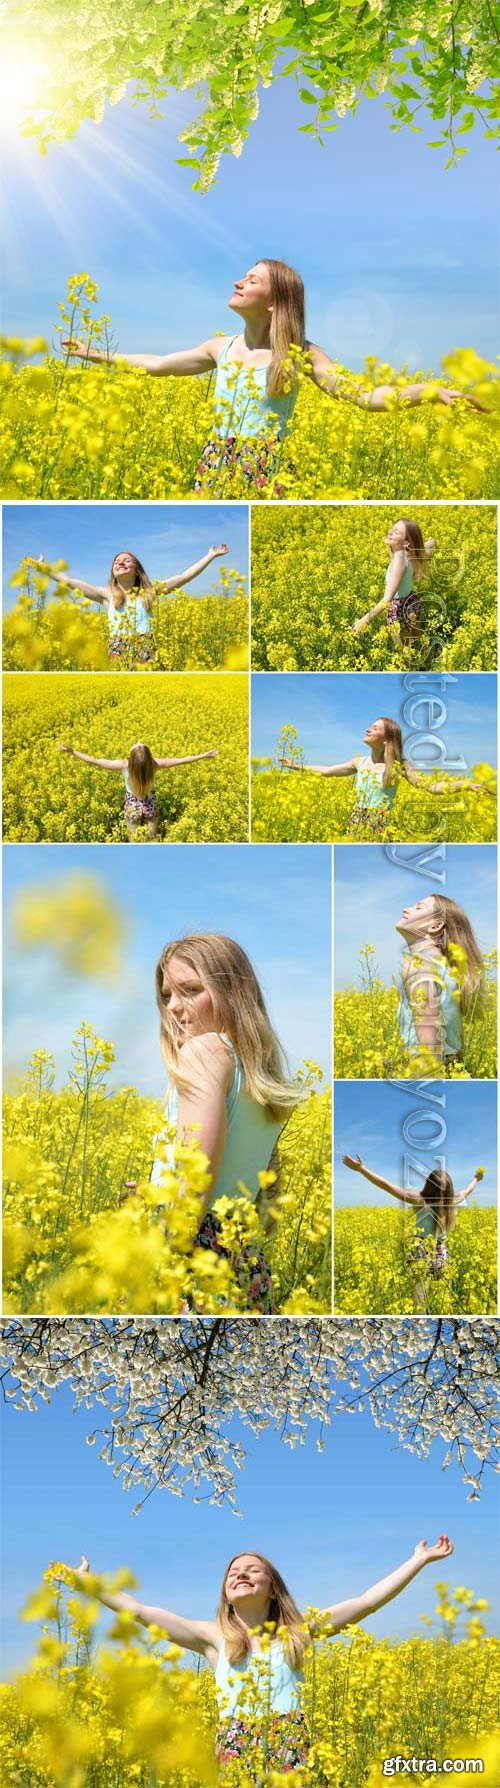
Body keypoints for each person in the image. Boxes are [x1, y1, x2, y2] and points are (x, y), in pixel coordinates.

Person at [61, 259, 485, 496]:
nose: (237, 281)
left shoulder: (300, 355)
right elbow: (154, 364)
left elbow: (365, 396)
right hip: (215, 465)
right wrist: (93, 354)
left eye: (251, 279)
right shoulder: (218, 348)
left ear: (274, 302)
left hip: (269, 468)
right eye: (242, 276)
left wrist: (430, 391)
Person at [54, 1537, 454, 1775]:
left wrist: (418, 1560)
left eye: (253, 1570)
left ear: (273, 1589)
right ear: (225, 1591)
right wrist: (87, 1583)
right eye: (233, 1572)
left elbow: (366, 1602)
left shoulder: (299, 1633)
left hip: (291, 1742)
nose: (241, 1574)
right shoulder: (212, 1638)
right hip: (234, 1744)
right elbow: (140, 1612)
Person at [126, 934, 301, 1312]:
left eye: (190, 990)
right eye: (167, 995)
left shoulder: (204, 1053)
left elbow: (196, 1184)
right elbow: (234, 1181)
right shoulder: (257, 1077)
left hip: (193, 1259)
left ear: (231, 993)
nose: (173, 1007)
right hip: (243, 1260)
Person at [282, 714, 494, 838]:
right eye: (370, 727)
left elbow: (433, 787)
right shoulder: (359, 762)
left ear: (386, 740)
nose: (367, 730)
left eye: (374, 728)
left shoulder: (400, 766)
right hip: (355, 820)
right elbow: (327, 771)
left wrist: (466, 784)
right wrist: (295, 765)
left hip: (382, 824)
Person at [36, 543, 228, 661]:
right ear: (113, 571)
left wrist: (210, 555)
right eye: (116, 561)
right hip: (117, 648)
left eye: (126, 560)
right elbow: (70, 582)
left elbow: (184, 576)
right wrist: (44, 569)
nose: (120, 562)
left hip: (145, 646)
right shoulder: (106, 594)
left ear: (137, 569)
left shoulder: (149, 592)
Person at [342, 1153, 485, 1297]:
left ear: (429, 1185)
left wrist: (361, 1169)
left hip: (420, 1247)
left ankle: (421, 1312)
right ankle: (441, 1311)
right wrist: (476, 1178)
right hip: (441, 1247)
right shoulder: (451, 1200)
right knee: (445, 1290)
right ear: (449, 1188)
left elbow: (387, 1186)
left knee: (420, 1289)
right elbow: (467, 1191)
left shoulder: (420, 1200)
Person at [58, 740, 218, 840]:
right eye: (140, 744)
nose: (139, 741)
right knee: (151, 839)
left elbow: (96, 761)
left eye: (139, 745)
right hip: (150, 805)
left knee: (134, 840)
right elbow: (181, 760)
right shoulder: (154, 764)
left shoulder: (124, 765)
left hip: (131, 807)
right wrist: (204, 755)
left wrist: (73, 752)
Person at [396, 894, 485, 1067]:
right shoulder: (450, 971)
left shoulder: (419, 966)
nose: (406, 909)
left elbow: (430, 1049)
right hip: (453, 1068)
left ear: (435, 926)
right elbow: (456, 1041)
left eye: (419, 907)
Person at [352, 519, 435, 646]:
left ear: (406, 542)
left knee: (405, 652)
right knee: (418, 643)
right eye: (392, 528)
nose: (390, 532)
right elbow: (423, 551)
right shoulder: (410, 554)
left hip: (399, 611)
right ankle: (426, 662)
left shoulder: (399, 562)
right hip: (412, 602)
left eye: (396, 532)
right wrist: (430, 543)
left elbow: (387, 599)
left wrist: (364, 620)